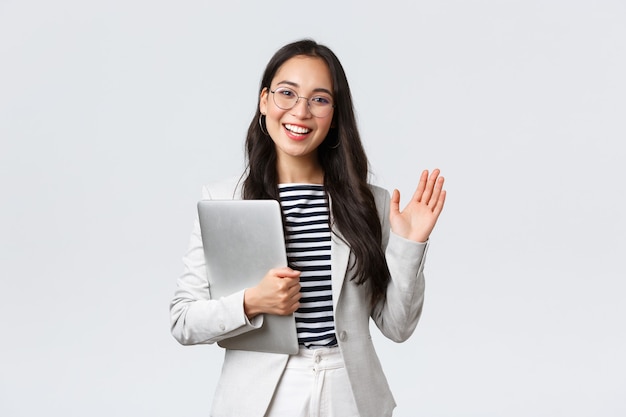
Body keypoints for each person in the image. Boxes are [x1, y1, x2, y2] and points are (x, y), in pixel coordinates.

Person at [170, 39, 446, 417]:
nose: (301, 111)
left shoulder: (371, 203)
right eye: (287, 93)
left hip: (348, 392)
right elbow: (184, 320)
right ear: (264, 100)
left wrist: (409, 244)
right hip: (263, 399)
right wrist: (252, 302)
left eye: (319, 99)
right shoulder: (224, 200)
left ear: (335, 114)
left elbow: (397, 327)